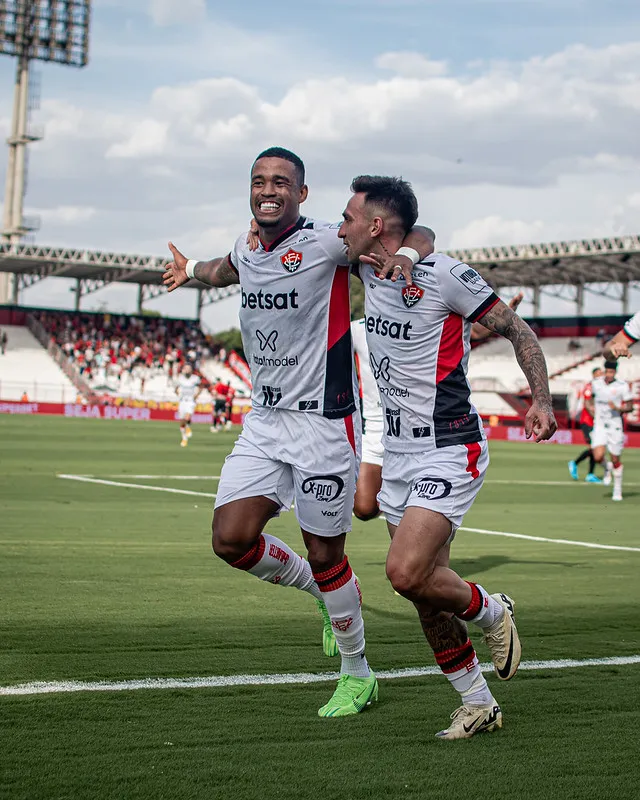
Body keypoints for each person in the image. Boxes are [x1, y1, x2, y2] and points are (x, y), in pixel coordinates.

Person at [162, 147, 434, 717]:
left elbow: (417, 231)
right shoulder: (246, 246)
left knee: (324, 550)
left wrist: (406, 254)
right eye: (260, 181)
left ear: (301, 194)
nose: (269, 189)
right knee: (230, 540)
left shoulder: (328, 244)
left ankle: (358, 674)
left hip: (323, 423)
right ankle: (322, 593)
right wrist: (188, 270)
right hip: (263, 421)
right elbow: (222, 270)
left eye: (282, 182)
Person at [338, 174, 557, 739]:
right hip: (398, 451)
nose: (341, 228)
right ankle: (478, 703)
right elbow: (419, 231)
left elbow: (517, 329)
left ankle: (491, 609)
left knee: (404, 573)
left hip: (449, 445)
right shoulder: (363, 262)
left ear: (376, 225)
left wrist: (540, 399)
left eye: (348, 218)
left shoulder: (444, 274)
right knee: (425, 591)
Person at [351, 288, 526, 523]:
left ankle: (419, 514)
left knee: (420, 521)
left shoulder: (417, 322)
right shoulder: (357, 330)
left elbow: (474, 331)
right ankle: (407, 505)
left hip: (421, 427)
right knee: (364, 508)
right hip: (375, 428)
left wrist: (501, 317)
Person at [586, 361, 634, 501]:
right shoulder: (596, 383)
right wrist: (591, 409)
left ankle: (617, 490)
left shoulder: (622, 386)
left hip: (615, 425)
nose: (609, 374)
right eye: (607, 371)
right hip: (600, 424)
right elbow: (589, 399)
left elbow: (630, 406)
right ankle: (607, 468)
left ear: (615, 372)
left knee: (615, 459)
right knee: (597, 456)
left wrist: (618, 408)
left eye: (611, 372)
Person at [568, 367, 604, 483]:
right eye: (599, 374)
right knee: (593, 447)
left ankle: (590, 474)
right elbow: (587, 404)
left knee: (594, 447)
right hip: (587, 421)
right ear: (594, 375)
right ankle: (575, 463)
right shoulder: (590, 386)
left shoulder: (601, 387)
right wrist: (596, 416)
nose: (601, 376)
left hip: (595, 422)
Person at [176, 363, 201, 447]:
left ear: (191, 370)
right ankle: (184, 438)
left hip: (190, 401)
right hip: (182, 401)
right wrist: (178, 394)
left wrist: (196, 396)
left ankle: (187, 427)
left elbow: (201, 387)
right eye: (186, 368)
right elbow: (175, 388)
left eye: (189, 368)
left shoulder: (195, 378)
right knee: (182, 421)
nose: (187, 370)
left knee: (187, 417)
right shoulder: (180, 378)